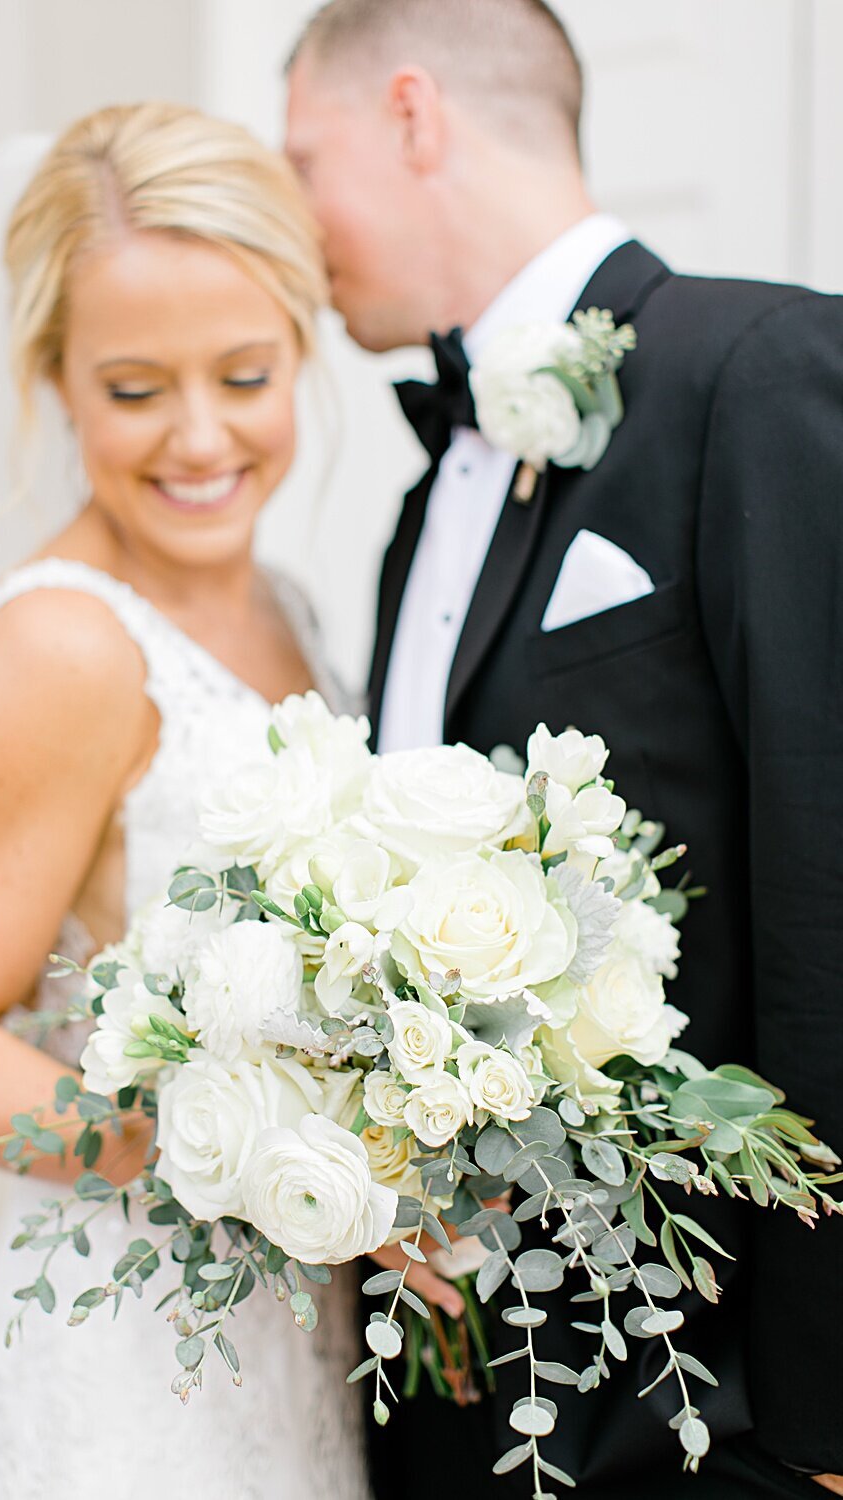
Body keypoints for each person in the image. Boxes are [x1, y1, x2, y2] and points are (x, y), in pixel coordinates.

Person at [285, 2, 843, 1497]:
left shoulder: (763, 367)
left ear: (412, 117)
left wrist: (830, 1415)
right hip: (457, 1387)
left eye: (303, 159)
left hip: (713, 1406)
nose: (294, 217)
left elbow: (827, 879)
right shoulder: (426, 505)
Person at [0, 102, 370, 1500]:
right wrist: (247, 1167)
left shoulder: (292, 606)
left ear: (300, 349)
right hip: (136, 1353)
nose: (200, 438)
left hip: (307, 1322)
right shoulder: (60, 648)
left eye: (246, 374)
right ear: (56, 379)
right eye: (136, 388)